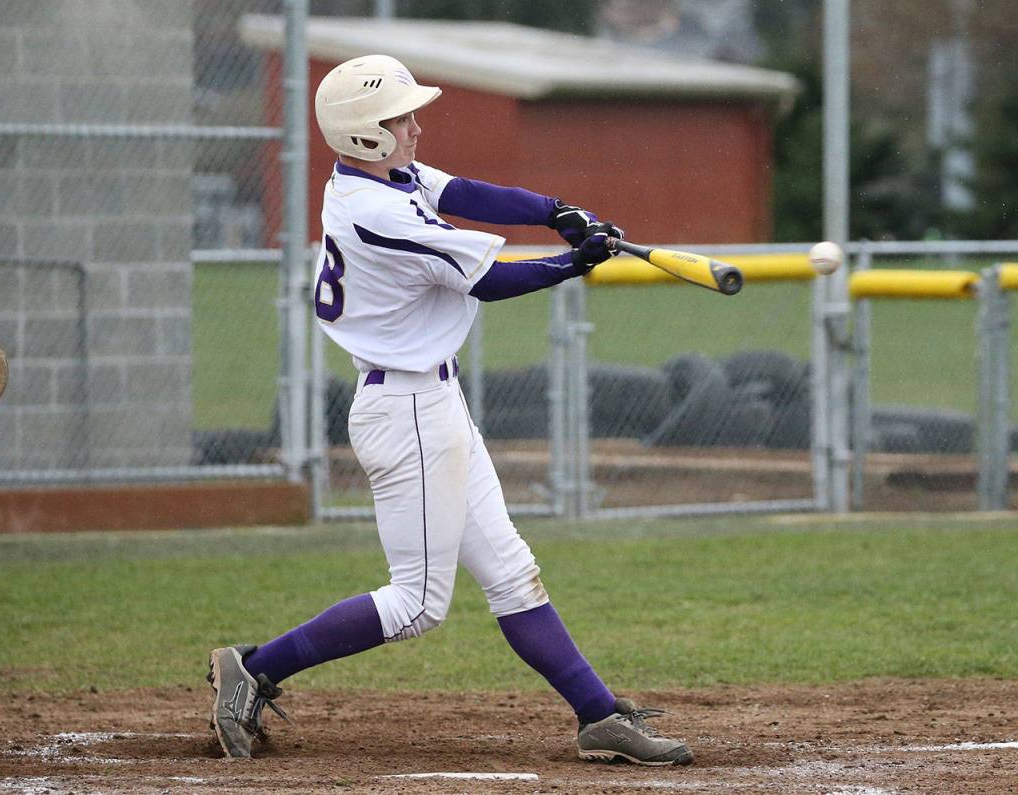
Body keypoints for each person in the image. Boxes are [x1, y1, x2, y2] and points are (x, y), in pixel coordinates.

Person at [207, 54, 693, 767]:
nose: (416, 127)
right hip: (403, 406)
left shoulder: (383, 180)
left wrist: (557, 212)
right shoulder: (374, 211)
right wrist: (575, 261)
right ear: (366, 134)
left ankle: (597, 714)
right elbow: (490, 283)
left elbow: (466, 190)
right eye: (401, 118)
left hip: (431, 398)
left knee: (510, 569)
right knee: (417, 603)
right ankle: (255, 667)